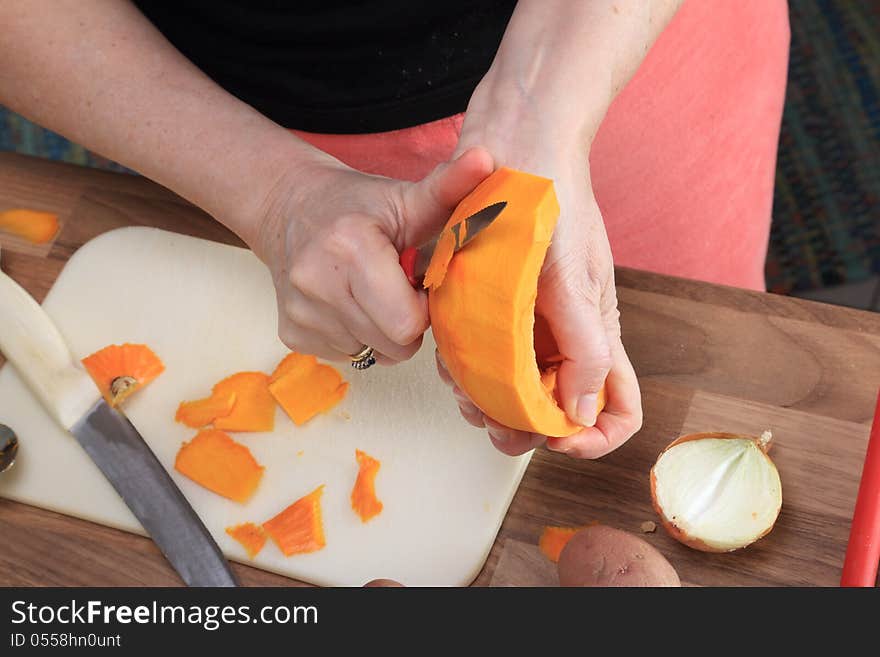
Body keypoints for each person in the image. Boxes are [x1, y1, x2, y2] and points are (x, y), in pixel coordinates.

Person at [0, 1, 789, 459]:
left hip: (613, 41)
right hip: (208, 109)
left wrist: (544, 99)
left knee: (717, 379)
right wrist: (274, 194)